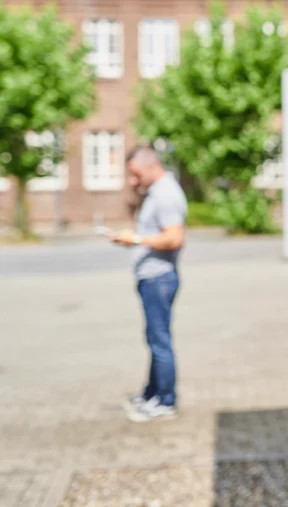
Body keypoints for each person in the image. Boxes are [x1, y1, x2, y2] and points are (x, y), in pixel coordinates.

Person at [109, 145, 187, 422]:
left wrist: (136, 240)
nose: (133, 181)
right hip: (153, 278)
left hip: (159, 278)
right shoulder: (157, 192)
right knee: (154, 338)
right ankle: (152, 393)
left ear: (151, 165)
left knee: (159, 340)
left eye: (136, 174)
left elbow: (174, 238)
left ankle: (165, 400)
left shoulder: (166, 195)